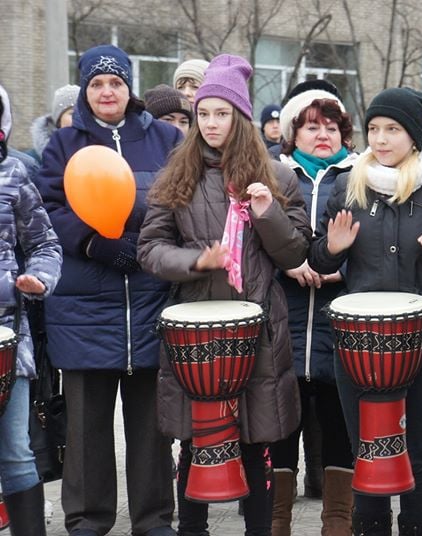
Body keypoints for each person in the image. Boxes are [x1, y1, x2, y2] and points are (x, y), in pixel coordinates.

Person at [137, 53, 309, 536]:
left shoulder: (279, 177)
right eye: (204, 114)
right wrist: (195, 261)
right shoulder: (177, 175)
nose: (211, 123)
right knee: (196, 443)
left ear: (241, 117)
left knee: (257, 443)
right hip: (194, 330)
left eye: (222, 113)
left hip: (259, 328)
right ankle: (193, 528)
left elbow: (294, 253)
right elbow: (150, 250)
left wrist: (266, 211)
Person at [309, 87, 422, 536]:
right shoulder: (348, 186)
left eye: (392, 129)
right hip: (356, 343)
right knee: (366, 448)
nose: (381, 139)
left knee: (415, 447)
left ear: (414, 136)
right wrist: (330, 249)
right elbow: (318, 259)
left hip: (421, 342)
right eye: (373, 129)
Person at [35, 44, 182, 536]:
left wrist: (144, 245)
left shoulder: (163, 138)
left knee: (151, 426)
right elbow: (49, 210)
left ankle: (154, 518)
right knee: (86, 428)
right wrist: (96, 243)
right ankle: (87, 519)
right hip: (83, 306)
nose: (106, 91)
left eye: (115, 82)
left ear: (129, 86)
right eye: (96, 83)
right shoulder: (63, 144)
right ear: (85, 90)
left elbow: (179, 201)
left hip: (149, 299)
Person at [269, 86, 357, 536]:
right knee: (281, 421)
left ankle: (338, 521)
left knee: (339, 420)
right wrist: (291, 263)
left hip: (336, 322)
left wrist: (341, 270)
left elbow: (377, 246)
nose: (322, 134)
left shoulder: (362, 176)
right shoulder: (272, 176)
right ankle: (277, 521)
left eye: (331, 126)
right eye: (310, 126)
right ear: (292, 133)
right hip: (284, 321)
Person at [0, 82, 62, 536]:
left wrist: (38, 278)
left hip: (7, 340)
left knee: (17, 452)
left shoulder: (14, 175)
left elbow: (43, 242)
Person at [29, 84, 79, 162]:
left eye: (83, 113)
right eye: (72, 113)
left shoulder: (97, 152)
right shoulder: (32, 160)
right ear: (59, 120)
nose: (79, 118)